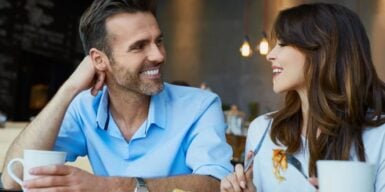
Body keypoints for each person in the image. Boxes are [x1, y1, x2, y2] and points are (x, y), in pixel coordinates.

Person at [1, 0, 233, 191]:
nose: (159, 55)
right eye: (139, 46)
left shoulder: (200, 105)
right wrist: (70, 88)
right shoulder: (84, 108)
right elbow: (13, 179)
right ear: (100, 60)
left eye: (158, 41)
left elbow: (216, 184)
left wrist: (110, 186)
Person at [220, 3, 385, 192]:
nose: (270, 55)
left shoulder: (379, 135)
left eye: (282, 44)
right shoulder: (263, 130)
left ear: (322, 52)